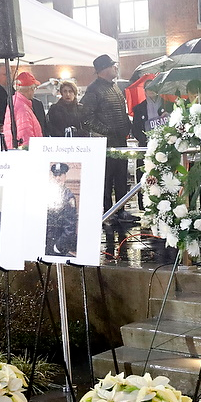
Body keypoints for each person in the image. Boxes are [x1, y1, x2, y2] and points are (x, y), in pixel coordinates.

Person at [81, 54, 134, 228]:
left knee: (121, 177)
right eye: (113, 66)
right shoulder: (93, 90)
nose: (116, 68)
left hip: (120, 141)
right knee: (106, 179)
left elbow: (122, 112)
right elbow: (86, 118)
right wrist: (107, 131)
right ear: (104, 69)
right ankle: (107, 211)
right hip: (105, 144)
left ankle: (121, 209)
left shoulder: (115, 88)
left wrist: (126, 127)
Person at [2, 71, 43, 148]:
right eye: (34, 88)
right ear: (30, 89)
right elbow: (25, 136)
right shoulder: (23, 108)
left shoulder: (14, 102)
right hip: (24, 155)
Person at [45, 162, 78, 256]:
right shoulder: (48, 194)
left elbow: (70, 227)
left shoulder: (68, 197)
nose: (58, 178)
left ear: (65, 176)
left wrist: (58, 247)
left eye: (60, 175)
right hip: (45, 243)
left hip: (58, 246)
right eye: (55, 175)